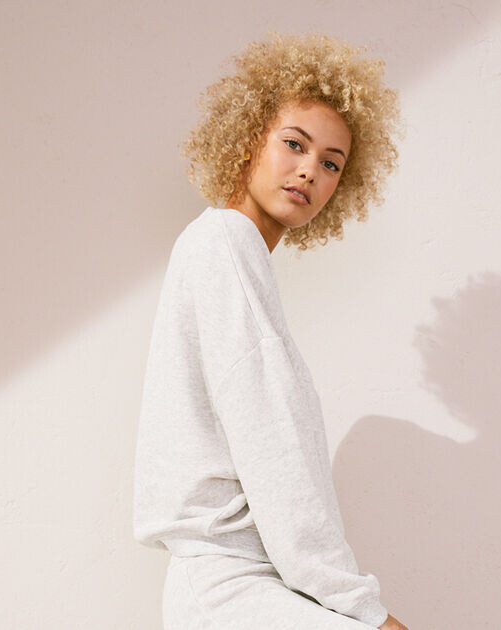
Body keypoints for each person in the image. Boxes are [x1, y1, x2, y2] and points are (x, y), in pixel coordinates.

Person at [133, 30, 407, 629]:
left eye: (330, 163)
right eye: (294, 144)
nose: (309, 170)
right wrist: (361, 608)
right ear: (248, 136)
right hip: (230, 587)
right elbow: (272, 440)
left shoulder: (219, 247)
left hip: (238, 585)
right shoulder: (227, 242)